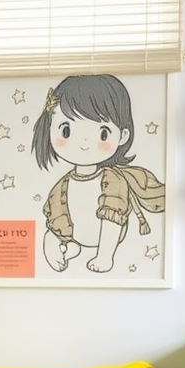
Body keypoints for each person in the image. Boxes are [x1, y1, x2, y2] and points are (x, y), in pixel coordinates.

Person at [31, 74, 165, 274]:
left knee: (110, 216)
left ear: (123, 136)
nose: (84, 144)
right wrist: (53, 237)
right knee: (54, 231)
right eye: (66, 131)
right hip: (75, 236)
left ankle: (104, 254)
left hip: (105, 238)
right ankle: (68, 247)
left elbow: (113, 215)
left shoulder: (112, 179)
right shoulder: (64, 183)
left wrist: (104, 257)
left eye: (103, 133)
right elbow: (56, 211)